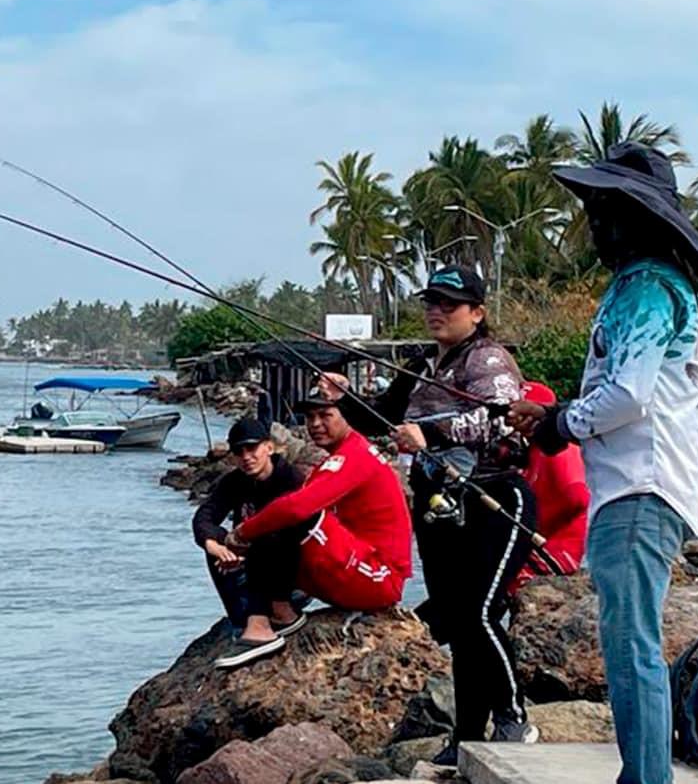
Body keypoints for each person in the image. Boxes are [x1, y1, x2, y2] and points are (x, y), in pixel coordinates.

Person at [508, 142, 698, 784]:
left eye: (605, 210)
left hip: (639, 490)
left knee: (632, 648)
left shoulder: (646, 290)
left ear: (638, 217)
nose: (595, 224)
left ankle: (646, 778)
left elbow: (629, 395)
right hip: (641, 489)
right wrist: (560, 418)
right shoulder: (654, 286)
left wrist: (561, 423)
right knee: (631, 644)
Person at [321, 264, 537, 766]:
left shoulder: (488, 359)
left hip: (495, 498)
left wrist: (431, 435)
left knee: (479, 612)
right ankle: (466, 735)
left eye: (449, 304)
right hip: (441, 506)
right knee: (457, 621)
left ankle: (513, 716)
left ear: (477, 313)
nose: (436, 311)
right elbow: (380, 417)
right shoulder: (421, 364)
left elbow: (501, 418)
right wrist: (341, 397)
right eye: (431, 302)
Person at [226, 385, 412, 627]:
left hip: (380, 577)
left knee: (298, 515)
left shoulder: (354, 456)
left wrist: (242, 533)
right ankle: (254, 615)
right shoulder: (337, 459)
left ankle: (278, 614)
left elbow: (297, 508)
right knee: (266, 526)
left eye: (325, 415)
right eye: (309, 417)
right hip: (358, 563)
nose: (315, 424)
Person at [192, 417, 308, 669]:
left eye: (252, 449)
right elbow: (204, 516)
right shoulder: (234, 481)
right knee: (216, 542)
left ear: (269, 447)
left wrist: (245, 550)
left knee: (270, 535)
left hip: (288, 568)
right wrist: (214, 546)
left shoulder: (290, 478)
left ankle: (270, 620)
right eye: (239, 452)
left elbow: (292, 530)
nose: (246, 457)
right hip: (251, 561)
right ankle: (241, 622)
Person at [505, 381, 589, 597]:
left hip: (562, 547)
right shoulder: (531, 451)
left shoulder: (559, 451)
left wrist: (534, 526)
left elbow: (578, 497)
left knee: (501, 580)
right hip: (543, 543)